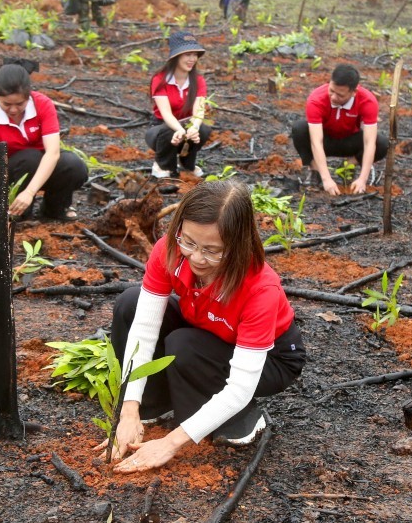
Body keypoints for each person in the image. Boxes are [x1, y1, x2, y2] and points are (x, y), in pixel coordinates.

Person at [105, 181, 305, 473]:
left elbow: (238, 387)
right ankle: (153, 405)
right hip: (207, 327)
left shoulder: (260, 288)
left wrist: (169, 444)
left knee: (183, 347)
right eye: (189, 242)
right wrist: (129, 408)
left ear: (239, 245)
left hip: (271, 360)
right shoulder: (169, 250)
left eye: (213, 251)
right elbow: (144, 329)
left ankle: (242, 419)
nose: (197, 258)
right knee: (130, 304)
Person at [0, 63, 88, 220]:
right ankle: (17, 211)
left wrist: (30, 192)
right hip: (10, 173)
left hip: (39, 166)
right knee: (29, 158)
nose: (13, 110)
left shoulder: (43, 104)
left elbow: (52, 153)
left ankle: (55, 208)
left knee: (74, 166)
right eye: (6, 104)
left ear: (28, 95)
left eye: (19, 104)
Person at [290, 64, 388, 195]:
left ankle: (348, 166)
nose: (334, 97)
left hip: (350, 142)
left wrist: (362, 179)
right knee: (300, 129)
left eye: (340, 95)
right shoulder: (316, 99)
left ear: (354, 92)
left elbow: (369, 143)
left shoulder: (367, 101)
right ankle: (315, 171)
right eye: (331, 90)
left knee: (381, 143)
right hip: (325, 141)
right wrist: (327, 179)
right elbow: (316, 141)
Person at [146, 31, 212, 178]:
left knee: (203, 130)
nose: (192, 59)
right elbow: (166, 113)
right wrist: (179, 129)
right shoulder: (160, 79)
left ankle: (187, 164)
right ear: (176, 56)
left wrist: (194, 127)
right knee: (170, 130)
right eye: (187, 54)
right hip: (160, 128)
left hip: (187, 124)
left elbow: (199, 110)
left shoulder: (198, 80)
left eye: (195, 55)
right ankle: (163, 165)